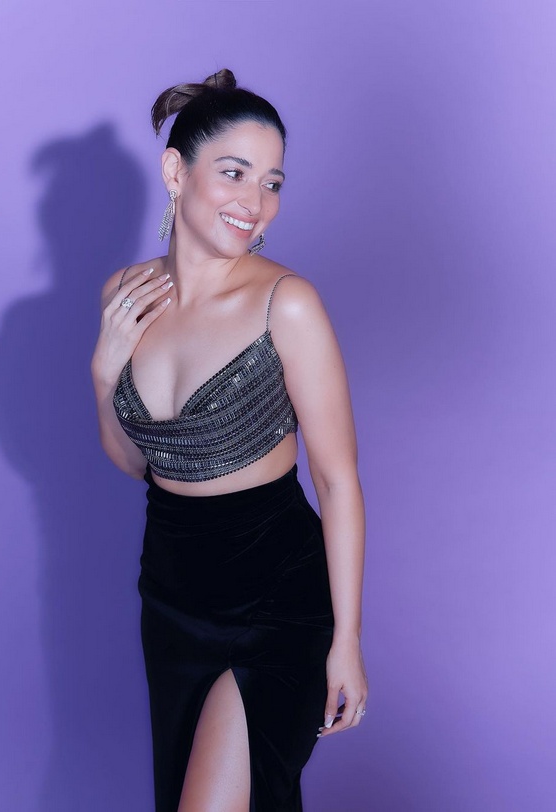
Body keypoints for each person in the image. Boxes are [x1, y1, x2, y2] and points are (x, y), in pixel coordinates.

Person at [91, 68, 368, 812]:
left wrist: (346, 640)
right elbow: (135, 463)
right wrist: (103, 373)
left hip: (277, 599)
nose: (256, 202)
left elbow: (338, 482)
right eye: (235, 173)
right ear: (175, 172)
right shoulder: (124, 295)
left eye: (272, 183)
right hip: (171, 598)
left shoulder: (287, 304)